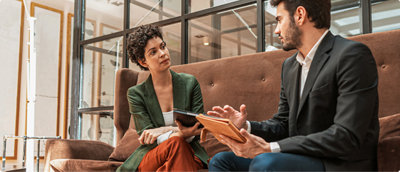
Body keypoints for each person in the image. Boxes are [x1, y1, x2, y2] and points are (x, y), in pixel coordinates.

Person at [207, 0, 379, 171]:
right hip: (298, 157)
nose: (276, 30)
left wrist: (270, 148)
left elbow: (346, 135)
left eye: (279, 20)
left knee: (266, 162)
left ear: (300, 15)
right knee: (222, 160)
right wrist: (245, 126)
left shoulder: (352, 55)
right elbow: (283, 123)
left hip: (338, 163)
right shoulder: (289, 66)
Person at [116, 25, 209, 171]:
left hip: (188, 151)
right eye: (153, 52)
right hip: (154, 154)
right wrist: (178, 133)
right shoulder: (136, 94)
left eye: (163, 46)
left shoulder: (190, 83)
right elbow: (148, 136)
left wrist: (162, 130)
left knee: (177, 147)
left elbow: (199, 127)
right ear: (143, 62)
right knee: (176, 142)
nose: (163, 53)